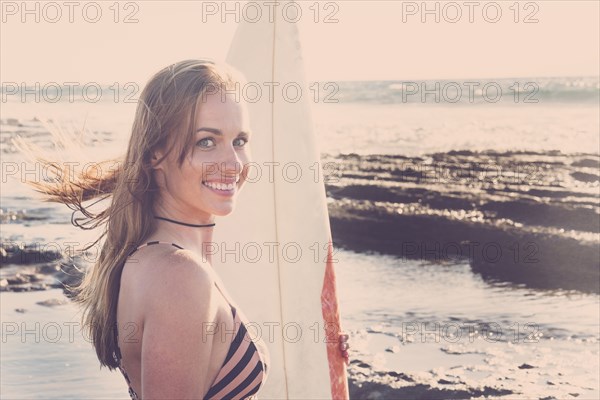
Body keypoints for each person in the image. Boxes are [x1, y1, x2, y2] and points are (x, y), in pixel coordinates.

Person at [19, 59, 350, 399]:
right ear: (154, 154)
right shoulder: (180, 277)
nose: (233, 163)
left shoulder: (163, 260)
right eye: (206, 142)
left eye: (239, 141)